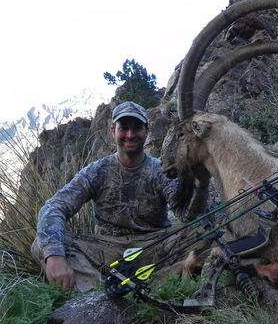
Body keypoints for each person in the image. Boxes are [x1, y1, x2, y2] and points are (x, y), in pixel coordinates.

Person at [31, 101, 210, 292]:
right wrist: (55, 255)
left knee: (204, 231)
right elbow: (54, 207)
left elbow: (187, 216)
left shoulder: (160, 171)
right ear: (113, 131)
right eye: (123, 128)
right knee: (44, 244)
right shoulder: (96, 171)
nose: (130, 135)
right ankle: (99, 295)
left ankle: (136, 289)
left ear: (147, 131)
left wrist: (201, 183)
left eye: (137, 128)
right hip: (107, 251)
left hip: (155, 246)